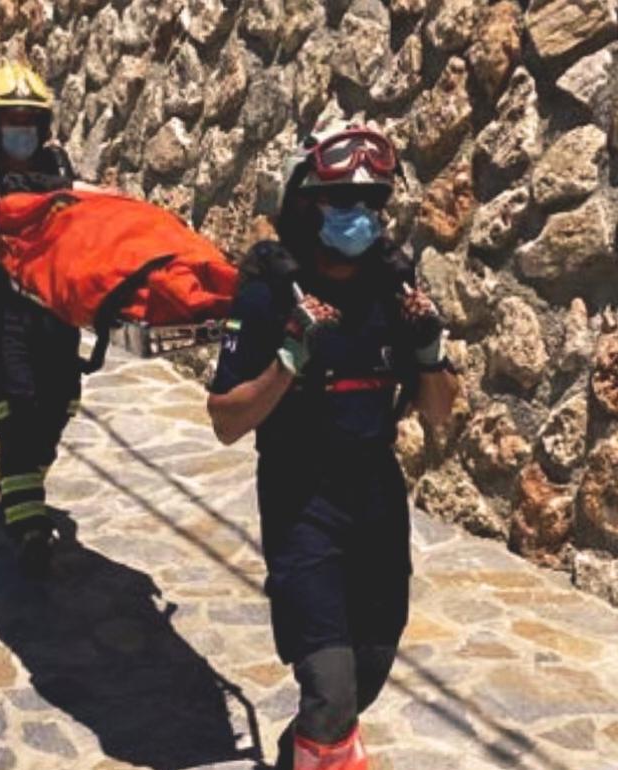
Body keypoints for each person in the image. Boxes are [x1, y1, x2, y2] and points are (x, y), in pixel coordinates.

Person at [205, 121, 460, 770]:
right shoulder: (269, 290)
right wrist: (288, 357)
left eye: (373, 202)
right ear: (305, 203)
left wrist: (430, 352)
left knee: (366, 671)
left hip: (376, 500)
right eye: (343, 200)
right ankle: (321, 742)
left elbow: (438, 417)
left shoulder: (394, 288)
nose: (360, 216)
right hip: (302, 503)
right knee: (330, 688)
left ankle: (304, 749)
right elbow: (226, 421)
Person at [0, 62, 84, 577]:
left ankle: (22, 481)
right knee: (17, 408)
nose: (21, 130)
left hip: (57, 314)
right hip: (7, 318)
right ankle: (26, 523)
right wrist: (1, 250)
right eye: (10, 120)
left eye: (29, 120)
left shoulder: (59, 173)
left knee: (61, 403)